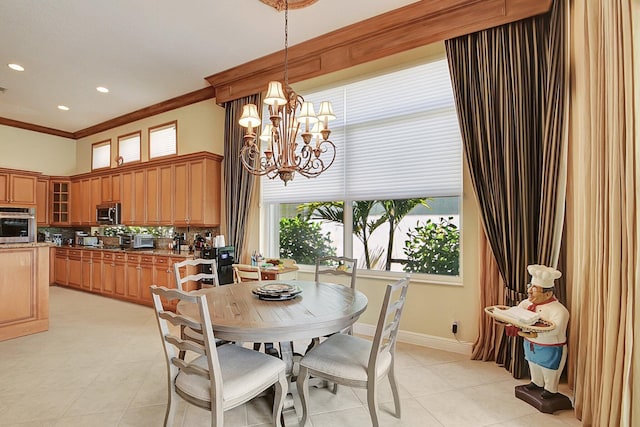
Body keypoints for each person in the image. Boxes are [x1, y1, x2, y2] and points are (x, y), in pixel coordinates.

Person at [506, 264, 570, 399]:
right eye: (530, 287)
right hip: (530, 344)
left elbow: (555, 330)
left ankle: (550, 389)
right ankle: (536, 382)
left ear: (548, 293)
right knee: (532, 363)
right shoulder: (525, 304)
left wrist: (532, 329)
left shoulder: (559, 310)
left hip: (550, 347)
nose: (529, 291)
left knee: (549, 369)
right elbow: (517, 316)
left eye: (534, 289)